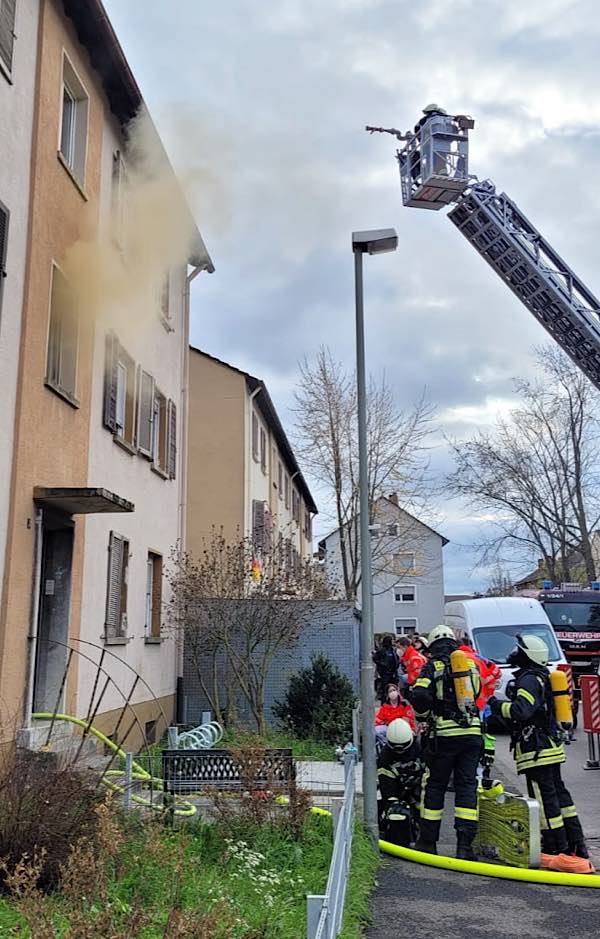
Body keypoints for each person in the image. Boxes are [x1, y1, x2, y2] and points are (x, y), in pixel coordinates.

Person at [488, 634, 593, 873]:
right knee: (561, 797)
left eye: (519, 649)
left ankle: (556, 847)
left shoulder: (528, 680)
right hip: (549, 747)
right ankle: (576, 844)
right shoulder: (544, 677)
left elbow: (521, 711)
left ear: (527, 655)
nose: (515, 652)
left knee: (545, 801)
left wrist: (495, 706)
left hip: (536, 751)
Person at [411, 624, 482, 860]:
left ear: (432, 647)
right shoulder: (470, 665)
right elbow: (477, 695)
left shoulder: (432, 666)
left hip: (444, 736)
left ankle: (428, 842)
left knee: (435, 785)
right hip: (472, 734)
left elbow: (420, 695)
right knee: (467, 787)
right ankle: (464, 847)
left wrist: (423, 717)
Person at [377, 718, 424, 846]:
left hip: (421, 792)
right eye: (396, 748)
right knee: (396, 813)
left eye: (403, 747)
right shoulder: (385, 758)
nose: (400, 751)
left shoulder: (421, 748)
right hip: (399, 793)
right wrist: (393, 805)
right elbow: (387, 788)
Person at [373, 635, 399, 702]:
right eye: (392, 640)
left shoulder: (392, 650)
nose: (393, 641)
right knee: (385, 689)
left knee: (394, 688)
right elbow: (375, 658)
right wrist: (382, 664)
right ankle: (384, 701)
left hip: (393, 673)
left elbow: (396, 659)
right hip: (385, 674)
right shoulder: (382, 650)